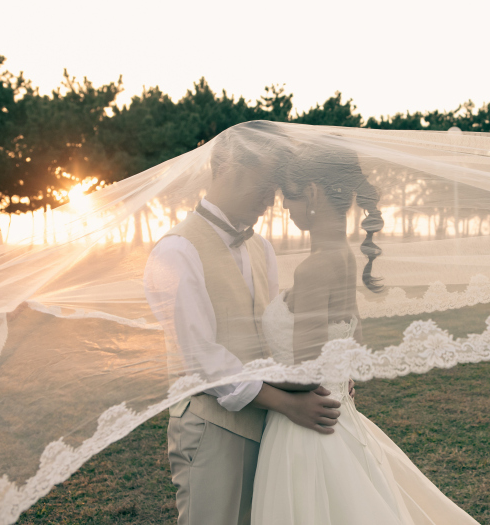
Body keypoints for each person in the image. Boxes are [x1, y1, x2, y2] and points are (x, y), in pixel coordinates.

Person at [251, 143, 480, 524]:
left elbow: (305, 373)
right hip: (340, 414)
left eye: (288, 197)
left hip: (305, 431)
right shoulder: (344, 256)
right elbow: (354, 342)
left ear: (311, 192)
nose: (285, 209)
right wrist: (339, 377)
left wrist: (246, 377)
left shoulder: (313, 269)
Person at [143, 123, 345, 525]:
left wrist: (324, 376)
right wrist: (288, 403)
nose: (272, 199)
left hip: (272, 428)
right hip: (212, 430)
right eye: (265, 183)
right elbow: (203, 359)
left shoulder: (261, 248)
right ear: (231, 169)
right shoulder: (176, 251)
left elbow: (273, 336)